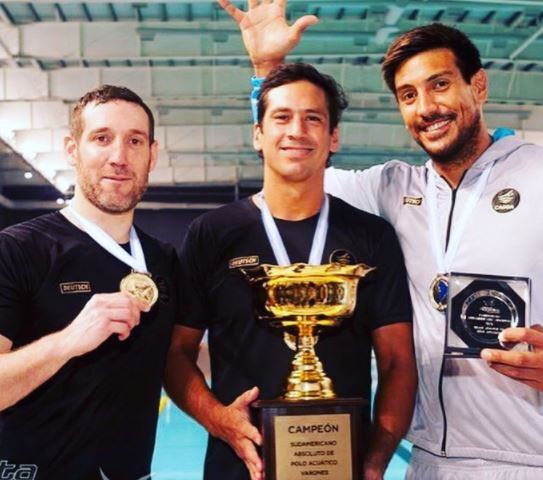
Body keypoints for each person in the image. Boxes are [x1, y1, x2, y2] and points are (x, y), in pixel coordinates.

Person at [218, 1, 543, 479]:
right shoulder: (391, 189)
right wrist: (267, 71)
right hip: (429, 461)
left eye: (439, 85)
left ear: (478, 85)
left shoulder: (538, 175)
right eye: (407, 95)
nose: (426, 107)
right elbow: (295, 165)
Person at [165, 63, 417, 480]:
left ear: (333, 137)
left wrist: (374, 464)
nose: (296, 130)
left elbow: (396, 361)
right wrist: (218, 419)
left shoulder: (371, 236)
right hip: (239, 468)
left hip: (342, 467)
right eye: (281, 117)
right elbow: (176, 351)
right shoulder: (212, 234)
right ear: (258, 134)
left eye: (312, 118)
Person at [0, 85, 181, 479]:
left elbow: (179, 359)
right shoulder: (16, 250)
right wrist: (67, 341)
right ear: (72, 148)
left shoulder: (164, 260)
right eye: (102, 138)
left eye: (134, 141)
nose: (119, 157)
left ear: (152, 154)